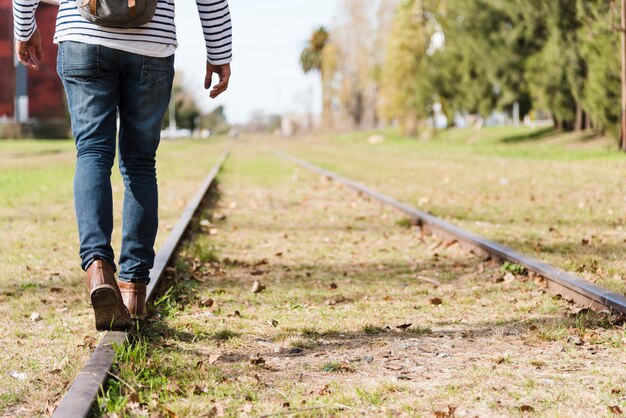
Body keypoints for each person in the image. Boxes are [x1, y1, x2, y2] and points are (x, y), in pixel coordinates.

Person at [12, 0, 232, 330]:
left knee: (92, 154)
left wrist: (25, 28)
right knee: (140, 163)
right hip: (151, 46)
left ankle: (98, 267)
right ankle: (133, 290)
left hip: (83, 37)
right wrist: (219, 51)